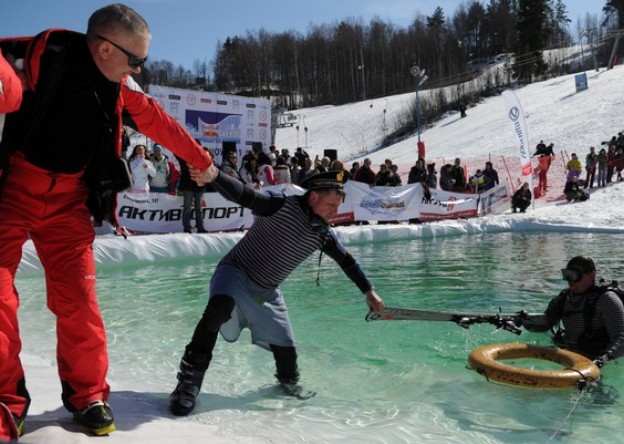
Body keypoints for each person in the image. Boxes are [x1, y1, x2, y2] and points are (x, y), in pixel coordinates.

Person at [0, 4, 214, 439]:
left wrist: (203, 162)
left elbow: (161, 122)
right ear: (103, 48)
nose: (139, 68)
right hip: (11, 194)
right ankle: (6, 400)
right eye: (136, 59)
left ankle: (87, 395)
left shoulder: (121, 86)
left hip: (70, 204)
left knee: (79, 301)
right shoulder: (38, 58)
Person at [168, 168, 385, 416]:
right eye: (331, 205)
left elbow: (347, 261)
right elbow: (244, 195)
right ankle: (187, 385)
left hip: (266, 292)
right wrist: (214, 177)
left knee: (287, 351)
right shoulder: (279, 206)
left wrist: (368, 291)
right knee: (218, 309)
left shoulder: (322, 234)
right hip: (235, 272)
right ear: (314, 197)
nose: (335, 212)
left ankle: (288, 385)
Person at [521, 256, 624, 367]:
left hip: (597, 356)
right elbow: (545, 323)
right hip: (570, 353)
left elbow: (621, 338)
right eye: (567, 275)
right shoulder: (563, 299)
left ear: (592, 275)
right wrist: (522, 319)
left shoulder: (606, 299)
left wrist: (603, 360)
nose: (570, 280)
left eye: (575, 275)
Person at [177, 153, 208, 233]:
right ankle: (187, 227)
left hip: (199, 186)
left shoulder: (202, 159)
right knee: (187, 208)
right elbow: (176, 153)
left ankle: (200, 227)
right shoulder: (184, 158)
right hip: (188, 186)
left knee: (199, 208)